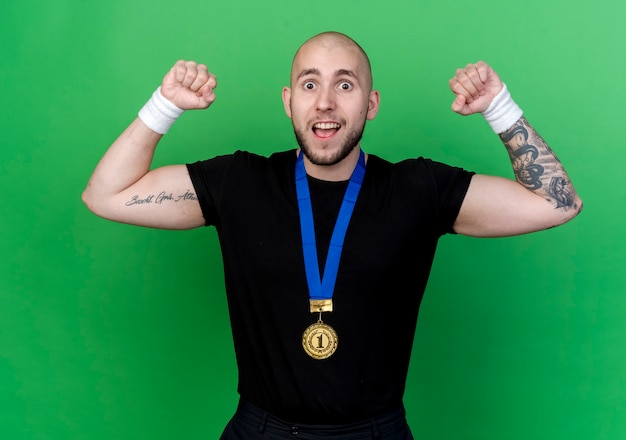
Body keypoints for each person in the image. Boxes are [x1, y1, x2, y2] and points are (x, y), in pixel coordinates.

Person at [82, 31, 582, 439]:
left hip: (376, 433)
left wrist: (499, 106)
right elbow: (105, 195)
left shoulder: (418, 189)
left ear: (371, 103)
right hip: (262, 431)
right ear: (288, 100)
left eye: (345, 85)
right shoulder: (239, 183)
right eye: (309, 84)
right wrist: (163, 106)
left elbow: (558, 203)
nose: (325, 103)